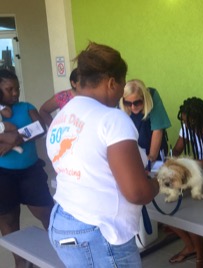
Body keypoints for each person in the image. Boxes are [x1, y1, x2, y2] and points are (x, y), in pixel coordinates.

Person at [46, 42, 159, 267]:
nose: (121, 93)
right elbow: (137, 193)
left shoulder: (62, 116)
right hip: (101, 233)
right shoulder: (112, 119)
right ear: (111, 83)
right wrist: (158, 184)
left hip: (63, 221)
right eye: (122, 85)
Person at [0, 69, 54, 268]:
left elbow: (40, 128)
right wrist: (15, 136)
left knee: (47, 212)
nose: (15, 93)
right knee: (8, 219)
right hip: (3, 175)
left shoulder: (27, 107)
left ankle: (58, 252)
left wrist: (14, 139)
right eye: (9, 89)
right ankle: (21, 263)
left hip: (30, 171)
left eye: (17, 88)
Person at [168, 97, 203, 268]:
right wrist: (171, 161)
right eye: (184, 122)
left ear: (201, 118)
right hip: (196, 172)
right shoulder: (188, 125)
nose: (186, 125)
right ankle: (197, 253)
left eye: (190, 122)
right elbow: (177, 150)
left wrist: (188, 163)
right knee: (178, 211)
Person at [119, 79, 171, 164]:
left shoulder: (152, 95)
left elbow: (158, 130)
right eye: (128, 103)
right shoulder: (119, 100)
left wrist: (151, 158)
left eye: (137, 102)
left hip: (154, 149)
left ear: (144, 98)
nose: (133, 107)